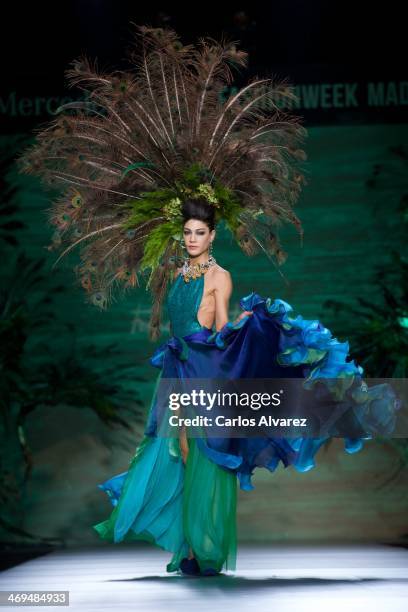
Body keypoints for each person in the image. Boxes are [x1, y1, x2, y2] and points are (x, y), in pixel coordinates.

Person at [17, 25, 400, 576]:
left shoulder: (219, 275)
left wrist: (254, 323)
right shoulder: (173, 269)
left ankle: (203, 550)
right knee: (178, 454)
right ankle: (189, 548)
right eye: (188, 231)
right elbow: (166, 307)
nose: (194, 238)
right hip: (175, 370)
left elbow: (219, 328)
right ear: (181, 233)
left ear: (213, 235)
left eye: (201, 232)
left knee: (206, 459)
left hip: (205, 372)